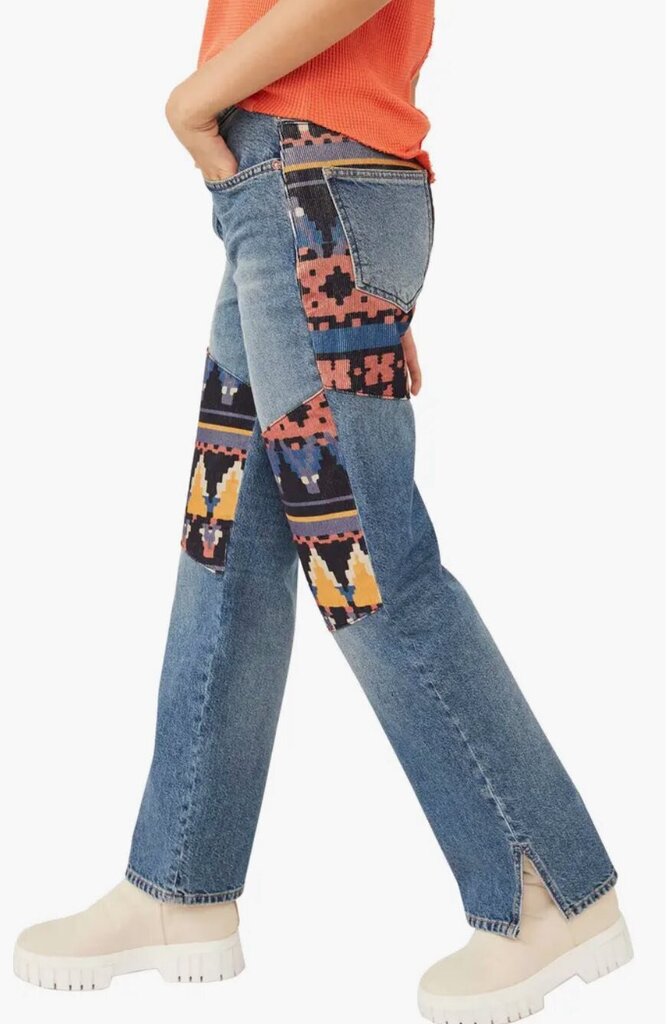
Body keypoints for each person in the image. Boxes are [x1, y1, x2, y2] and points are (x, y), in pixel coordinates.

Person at [13, 2, 633, 1021]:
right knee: (226, 545)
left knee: (368, 562)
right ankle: (179, 883)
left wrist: (193, 104)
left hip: (308, 182)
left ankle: (545, 889)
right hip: (288, 198)